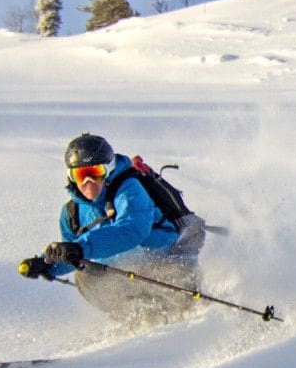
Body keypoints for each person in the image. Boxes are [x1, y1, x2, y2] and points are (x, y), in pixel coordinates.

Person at [19, 133, 207, 321]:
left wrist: (80, 247)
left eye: (95, 173)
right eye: (81, 175)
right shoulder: (71, 213)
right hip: (128, 274)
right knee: (84, 276)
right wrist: (47, 264)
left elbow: (131, 231)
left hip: (168, 260)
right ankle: (138, 316)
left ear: (108, 170)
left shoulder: (130, 189)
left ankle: (193, 315)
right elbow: (72, 254)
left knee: (181, 291)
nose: (88, 183)